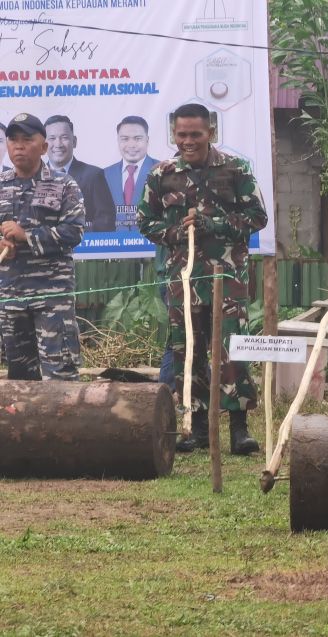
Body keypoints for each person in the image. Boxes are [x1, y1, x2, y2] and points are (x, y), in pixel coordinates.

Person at [137, 103, 268, 454]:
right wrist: (176, 232)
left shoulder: (235, 169)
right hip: (183, 277)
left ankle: (239, 430)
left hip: (227, 276)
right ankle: (192, 427)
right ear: (173, 135)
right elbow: (145, 221)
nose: (188, 141)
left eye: (195, 134)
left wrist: (217, 226)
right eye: (182, 135)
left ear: (210, 132)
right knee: (187, 350)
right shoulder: (161, 174)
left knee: (231, 350)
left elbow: (257, 216)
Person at [0, 113, 85, 380]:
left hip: (52, 297)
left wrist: (27, 236)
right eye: (13, 140)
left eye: (27, 140)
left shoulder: (63, 184)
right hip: (11, 296)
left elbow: (74, 231)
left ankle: (64, 424)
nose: (19, 146)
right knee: (19, 378)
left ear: (44, 147)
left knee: (59, 375)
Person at [44, 115, 116, 232]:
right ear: (44, 144)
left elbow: (106, 220)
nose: (58, 144)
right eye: (52, 138)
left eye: (64, 137)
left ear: (74, 141)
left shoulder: (94, 175)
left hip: (84, 247)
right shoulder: (35, 177)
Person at [104, 115, 160, 230]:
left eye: (138, 138)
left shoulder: (162, 170)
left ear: (147, 140)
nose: (131, 145)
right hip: (114, 245)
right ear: (118, 140)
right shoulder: (105, 174)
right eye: (125, 139)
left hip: (151, 244)